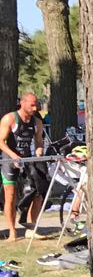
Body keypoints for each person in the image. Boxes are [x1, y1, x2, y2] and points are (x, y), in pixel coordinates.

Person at [1, 92, 44, 241]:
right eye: (32, 105)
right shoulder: (10, 118)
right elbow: (0, 141)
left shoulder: (37, 122)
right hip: (9, 160)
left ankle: (31, 229)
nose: (35, 108)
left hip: (27, 159)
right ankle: (12, 232)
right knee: (10, 196)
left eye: (36, 105)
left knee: (37, 193)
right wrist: (13, 155)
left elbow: (39, 141)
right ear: (22, 103)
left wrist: (39, 151)